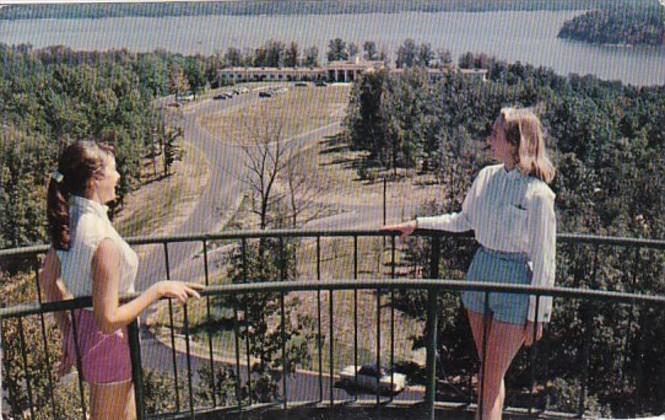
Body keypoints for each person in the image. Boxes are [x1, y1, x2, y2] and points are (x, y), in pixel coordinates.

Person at [383, 107, 556, 420]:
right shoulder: (486, 177)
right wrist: (417, 223)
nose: (489, 139)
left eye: (495, 133)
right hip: (479, 274)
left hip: (514, 284)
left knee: (488, 378)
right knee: (491, 374)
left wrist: (538, 315)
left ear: (514, 144)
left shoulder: (538, 195)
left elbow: (545, 258)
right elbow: (463, 220)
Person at [39, 141, 203, 419]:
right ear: (95, 180)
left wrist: (70, 334)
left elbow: (47, 279)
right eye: (114, 170)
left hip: (90, 337)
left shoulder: (71, 222)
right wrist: (158, 290)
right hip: (109, 346)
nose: (119, 177)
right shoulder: (101, 239)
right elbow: (108, 318)